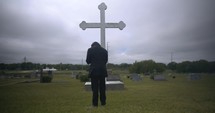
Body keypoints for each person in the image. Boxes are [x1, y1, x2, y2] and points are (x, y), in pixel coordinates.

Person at [86, 42, 108, 107]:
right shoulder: (104, 51)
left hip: (94, 71)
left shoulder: (90, 50)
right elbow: (105, 61)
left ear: (92, 45)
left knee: (94, 88)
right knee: (102, 87)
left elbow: (88, 61)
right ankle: (103, 103)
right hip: (102, 70)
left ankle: (95, 104)